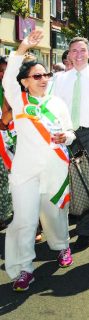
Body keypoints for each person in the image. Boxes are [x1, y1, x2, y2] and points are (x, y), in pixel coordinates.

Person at [3, 29, 76, 291]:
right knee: (24, 220)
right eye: (37, 76)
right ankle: (23, 268)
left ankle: (62, 245)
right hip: (25, 172)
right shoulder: (19, 102)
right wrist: (22, 48)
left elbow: (70, 132)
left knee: (55, 214)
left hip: (55, 170)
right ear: (24, 82)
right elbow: (8, 77)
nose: (44, 79)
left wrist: (64, 138)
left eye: (46, 74)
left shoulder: (58, 103)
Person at [52, 37, 89, 250]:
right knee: (65, 181)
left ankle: (85, 231)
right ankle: (63, 225)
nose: (78, 54)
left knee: (88, 182)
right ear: (69, 54)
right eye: (74, 50)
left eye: (82, 50)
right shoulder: (58, 79)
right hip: (65, 134)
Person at [0, 55, 13, 228]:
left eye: (5, 70)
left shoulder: (19, 86)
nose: (2, 74)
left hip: (17, 138)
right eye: (0, 71)